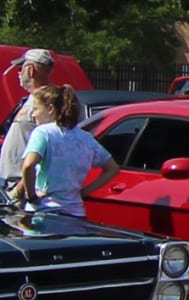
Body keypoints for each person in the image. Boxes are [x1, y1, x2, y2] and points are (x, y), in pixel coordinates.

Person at [16, 85, 121, 217]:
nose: (33, 114)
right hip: (75, 212)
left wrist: (31, 196)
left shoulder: (43, 132)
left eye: (36, 109)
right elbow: (113, 168)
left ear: (50, 109)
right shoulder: (86, 138)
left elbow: (28, 165)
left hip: (45, 211)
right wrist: (84, 192)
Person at [0, 48, 56, 187]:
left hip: (22, 186)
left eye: (21, 68)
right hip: (12, 183)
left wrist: (22, 188)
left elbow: (50, 150)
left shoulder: (47, 102)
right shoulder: (33, 99)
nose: (19, 73)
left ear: (30, 70)